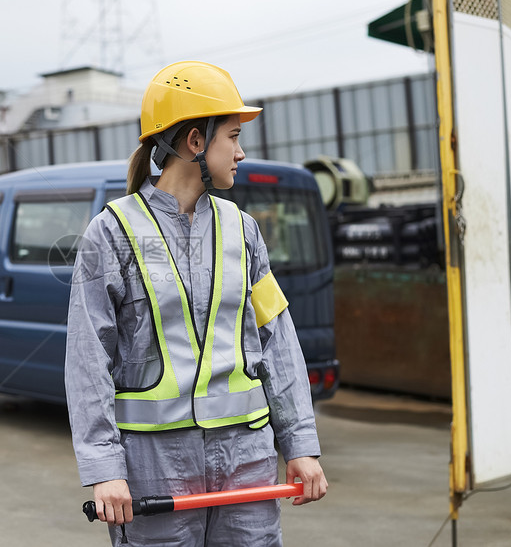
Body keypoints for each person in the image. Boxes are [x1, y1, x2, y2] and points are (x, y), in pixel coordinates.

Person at [65, 60, 327, 546]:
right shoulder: (112, 233)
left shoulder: (242, 230)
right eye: (232, 135)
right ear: (195, 142)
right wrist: (104, 469)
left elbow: (278, 340)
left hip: (246, 460)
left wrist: (300, 443)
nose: (241, 151)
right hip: (154, 467)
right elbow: (87, 359)